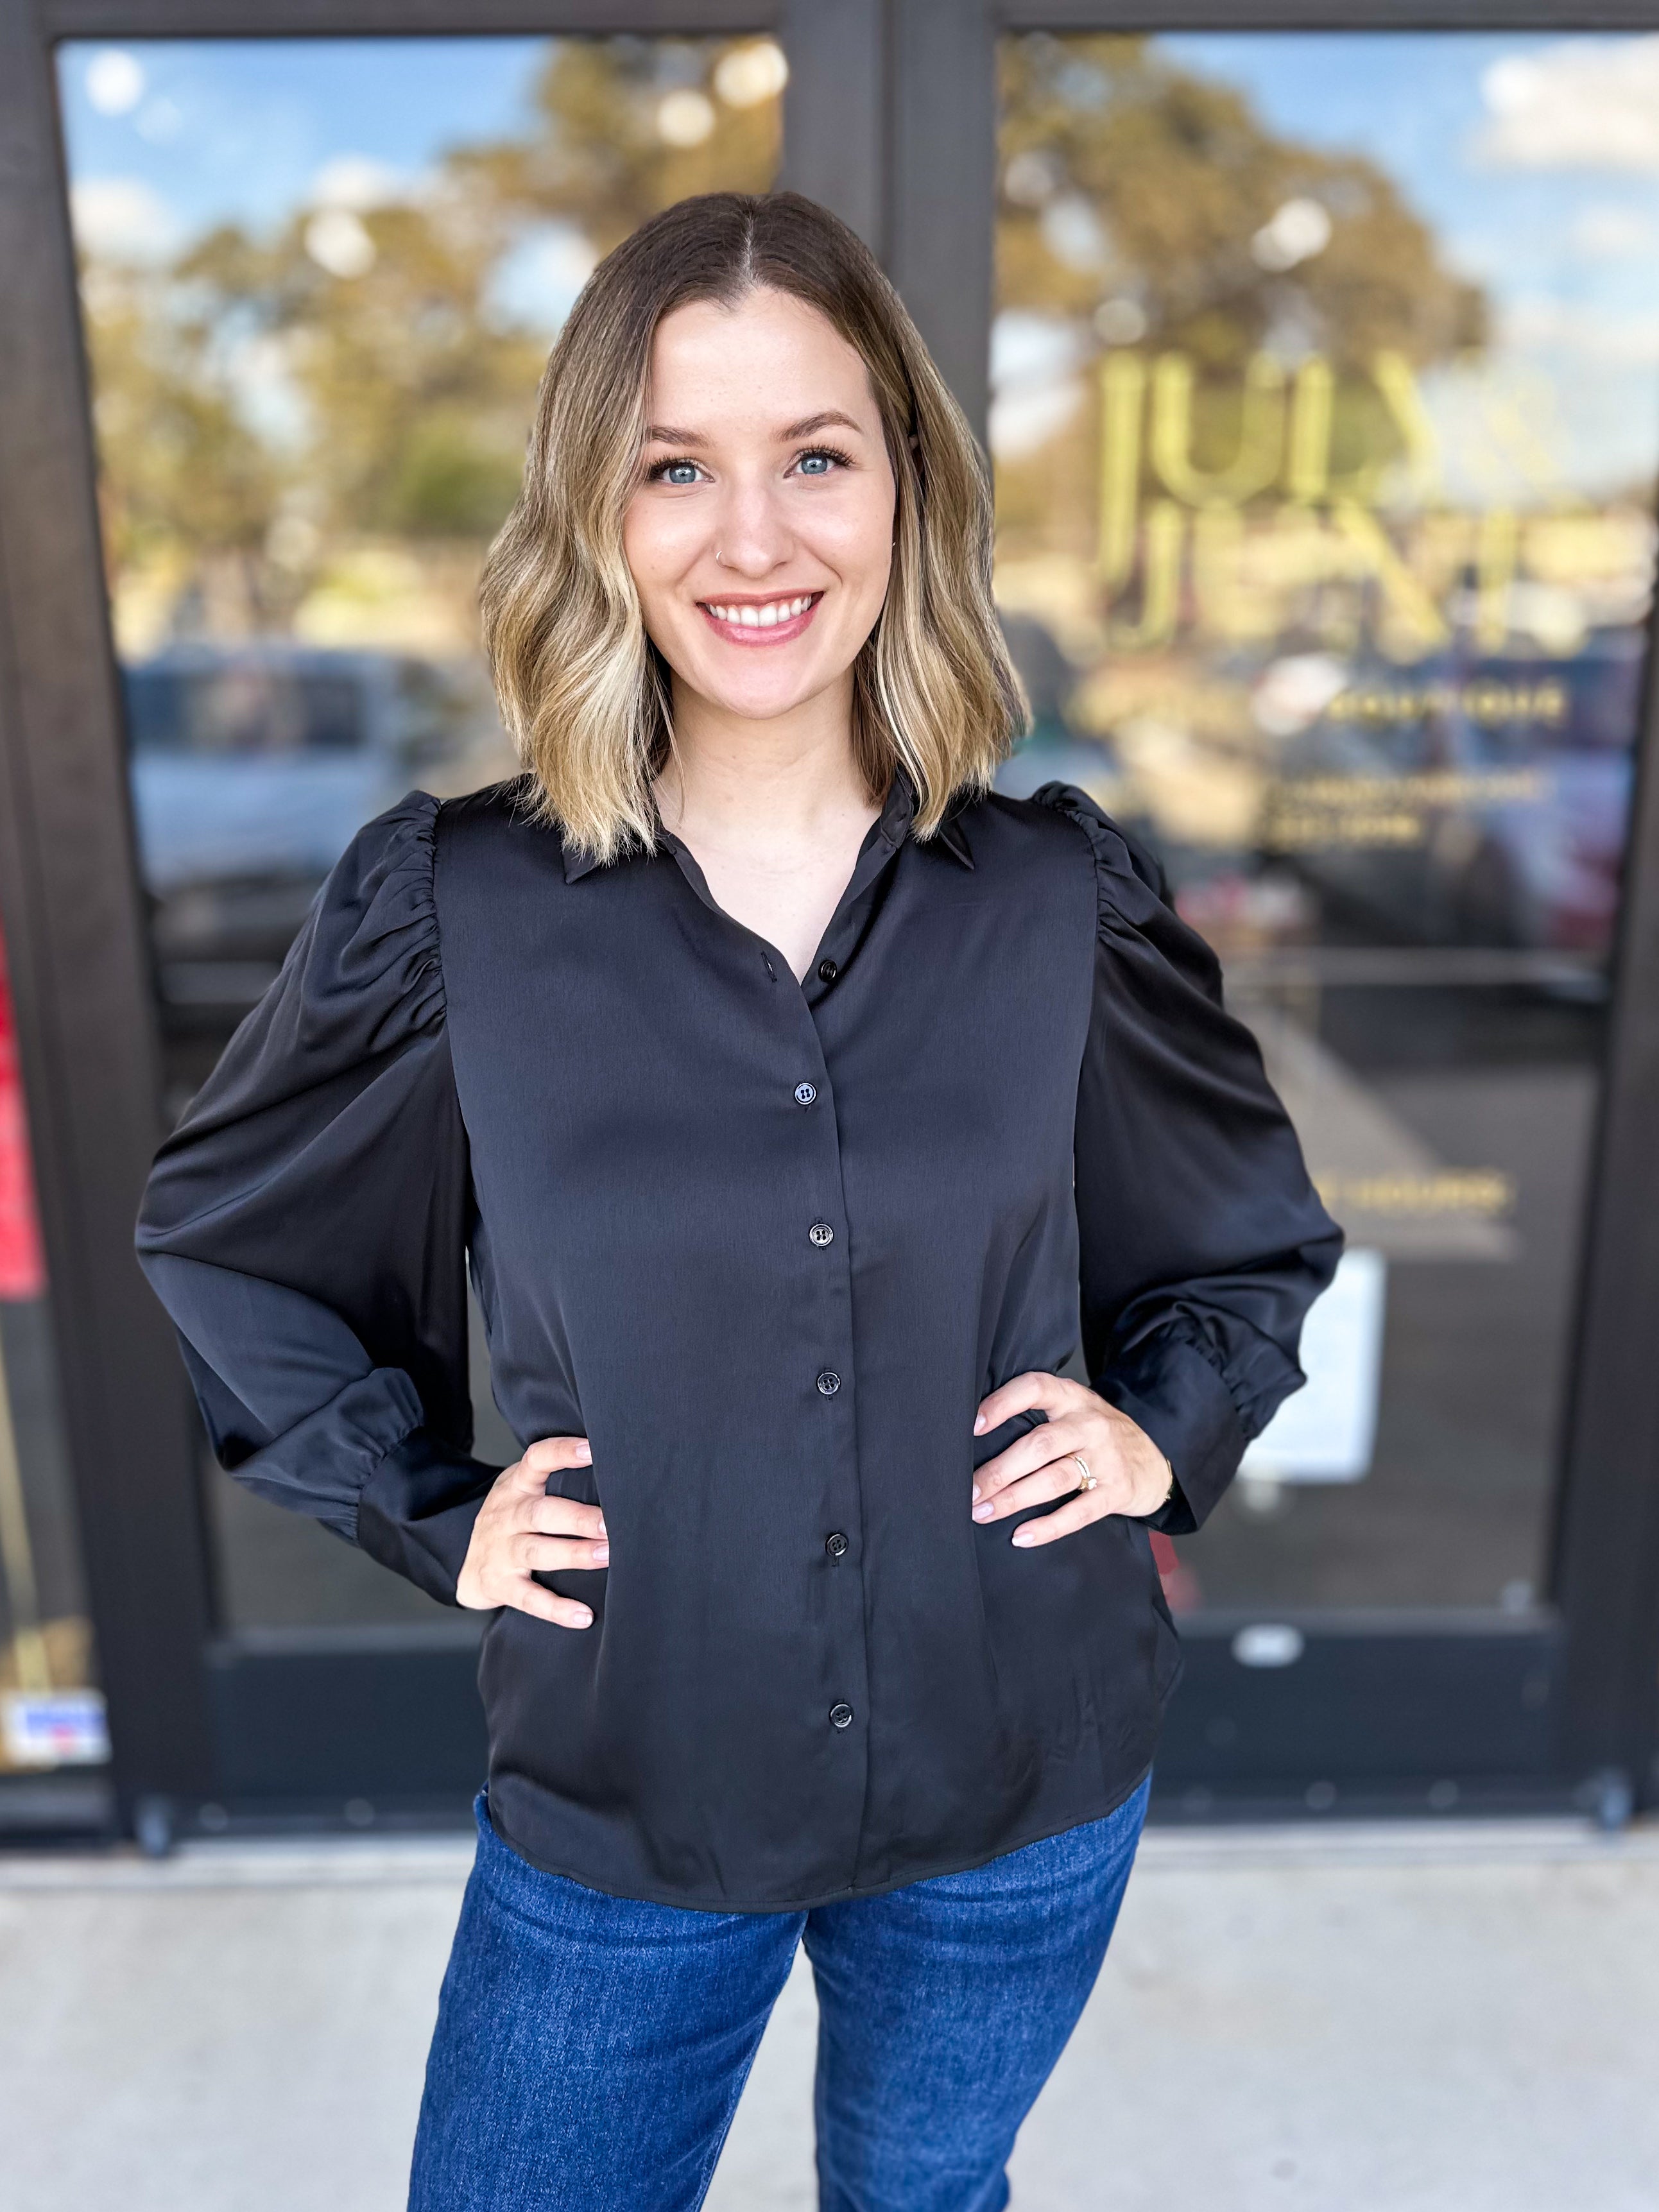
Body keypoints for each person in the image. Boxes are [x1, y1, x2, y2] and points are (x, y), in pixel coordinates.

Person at [137, 191, 1342, 2212]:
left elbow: (1238, 1242)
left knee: (926, 2198)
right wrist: (434, 1509)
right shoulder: (456, 912)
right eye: (674, 467)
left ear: (905, 489)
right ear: (592, 513)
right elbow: (232, 1244)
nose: (752, 537)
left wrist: (1159, 1427)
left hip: (1017, 1776)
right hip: (631, 1792)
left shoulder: (1059, 899)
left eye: (814, 457)